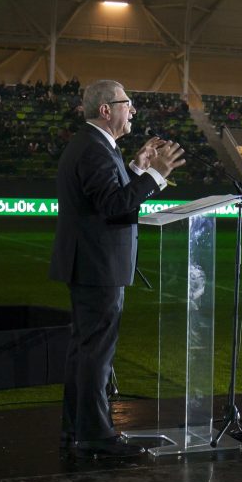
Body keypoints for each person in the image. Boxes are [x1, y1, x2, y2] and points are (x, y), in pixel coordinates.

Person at [49, 79, 183, 459]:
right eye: (128, 103)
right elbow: (114, 205)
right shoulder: (94, 148)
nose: (133, 110)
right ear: (106, 110)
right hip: (97, 265)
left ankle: (76, 430)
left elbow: (108, 195)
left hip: (92, 263)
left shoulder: (94, 145)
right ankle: (95, 434)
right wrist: (156, 175)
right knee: (95, 354)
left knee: (85, 351)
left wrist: (136, 167)